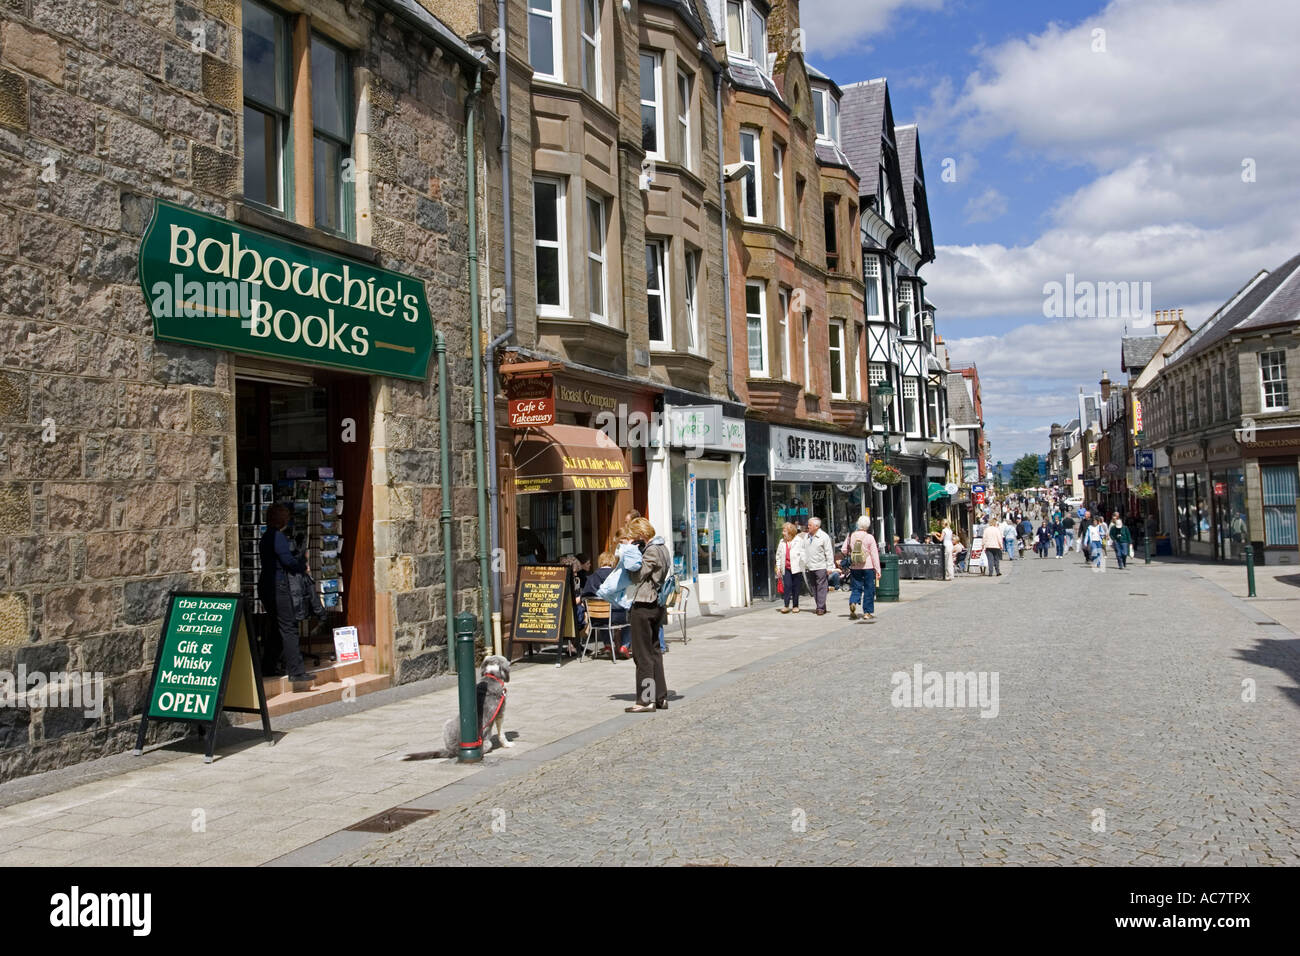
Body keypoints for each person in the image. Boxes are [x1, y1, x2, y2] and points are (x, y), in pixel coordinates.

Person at [258, 502, 312, 682]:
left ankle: (268, 665)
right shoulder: (277, 537)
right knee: (289, 626)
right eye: (287, 517)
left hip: (266, 585)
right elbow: (287, 560)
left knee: (276, 627)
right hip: (278, 585)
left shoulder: (266, 536)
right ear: (282, 519)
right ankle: (296, 671)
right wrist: (303, 566)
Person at [620, 517, 670, 712]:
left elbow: (638, 575)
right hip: (657, 605)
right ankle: (660, 697)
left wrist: (630, 552)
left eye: (634, 536)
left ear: (641, 535)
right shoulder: (663, 548)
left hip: (644, 604)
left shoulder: (651, 550)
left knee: (643, 655)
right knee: (655, 651)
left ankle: (646, 699)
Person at [583, 550, 631, 658]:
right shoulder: (617, 575)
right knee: (630, 619)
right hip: (616, 616)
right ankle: (624, 646)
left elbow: (585, 596)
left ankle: (608, 645)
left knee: (603, 618)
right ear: (613, 562)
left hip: (595, 617)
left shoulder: (592, 577)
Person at [842, 516, 882, 620]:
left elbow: (843, 550)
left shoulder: (851, 536)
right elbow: (874, 554)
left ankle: (853, 602)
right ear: (867, 526)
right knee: (869, 589)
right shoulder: (869, 537)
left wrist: (851, 553)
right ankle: (867, 612)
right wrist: (878, 570)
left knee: (856, 587)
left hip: (855, 566)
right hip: (868, 566)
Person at [803, 516, 835, 615]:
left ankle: (820, 607)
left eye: (810, 525)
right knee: (813, 588)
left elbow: (829, 552)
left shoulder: (824, 536)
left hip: (820, 566)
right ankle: (821, 605)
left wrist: (830, 566)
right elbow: (803, 550)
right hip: (810, 566)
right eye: (808, 524)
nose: (808, 526)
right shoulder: (806, 536)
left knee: (821, 587)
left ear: (817, 526)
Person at [774, 522, 805, 614]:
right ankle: (786, 605)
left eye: (784, 531)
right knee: (787, 586)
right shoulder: (781, 542)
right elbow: (778, 556)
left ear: (790, 532)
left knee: (796, 587)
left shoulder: (799, 541)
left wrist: (803, 565)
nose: (783, 533)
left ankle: (795, 606)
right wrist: (778, 567)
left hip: (797, 568)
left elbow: (803, 554)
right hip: (786, 568)